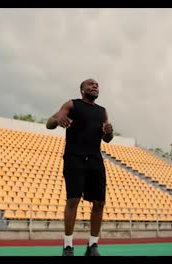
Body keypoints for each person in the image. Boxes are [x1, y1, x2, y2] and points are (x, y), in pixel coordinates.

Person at [46, 78, 114, 256]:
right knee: (73, 200)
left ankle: (93, 246)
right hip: (74, 157)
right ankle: (68, 245)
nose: (95, 86)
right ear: (82, 89)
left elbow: (107, 139)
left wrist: (109, 131)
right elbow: (49, 123)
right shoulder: (71, 104)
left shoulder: (102, 111)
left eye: (97, 85)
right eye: (91, 84)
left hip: (95, 159)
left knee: (99, 203)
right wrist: (58, 118)